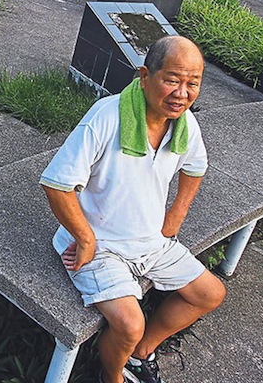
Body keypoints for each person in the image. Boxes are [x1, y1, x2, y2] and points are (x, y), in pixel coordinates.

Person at [40, 35, 226, 383]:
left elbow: (195, 166)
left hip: (151, 241)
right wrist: (84, 238)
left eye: (192, 84)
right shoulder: (107, 116)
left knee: (210, 294)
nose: (182, 93)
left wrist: (176, 215)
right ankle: (112, 376)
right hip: (102, 247)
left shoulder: (185, 124)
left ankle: (142, 353)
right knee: (129, 323)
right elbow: (57, 183)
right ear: (144, 76)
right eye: (172, 80)